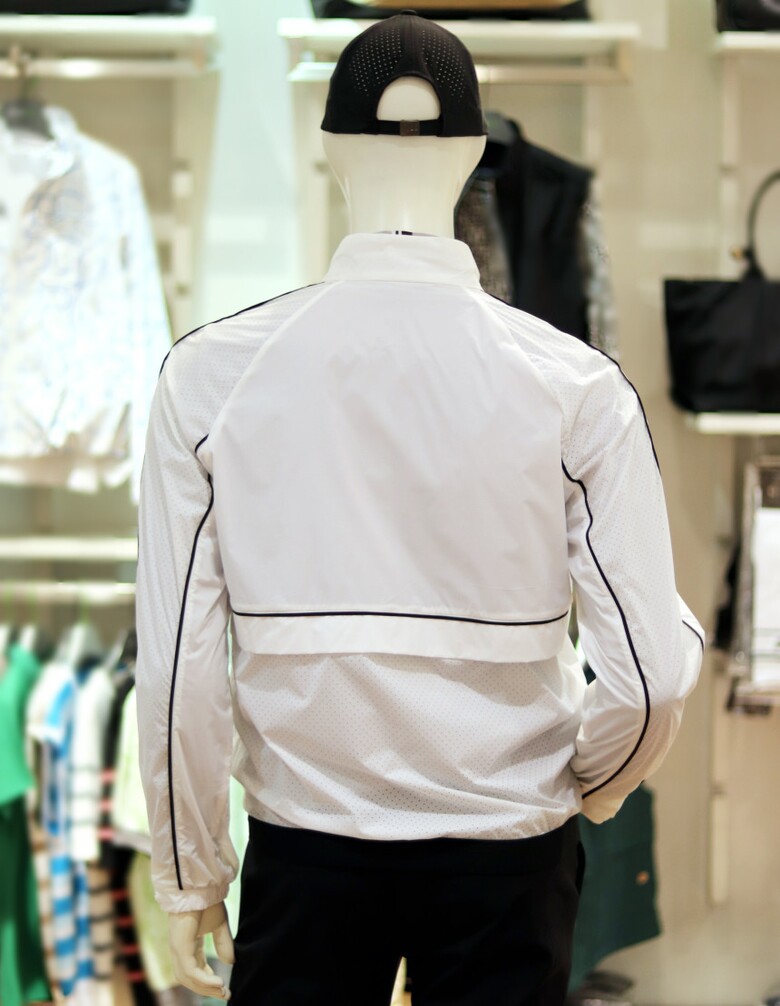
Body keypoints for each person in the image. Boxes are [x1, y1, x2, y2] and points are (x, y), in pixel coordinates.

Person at [135, 12, 704, 1006]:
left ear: (329, 150)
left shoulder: (209, 377)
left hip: (307, 849)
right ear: (476, 153)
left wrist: (192, 871)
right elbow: (651, 678)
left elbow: (179, 661)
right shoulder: (577, 387)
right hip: (510, 850)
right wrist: (591, 785)